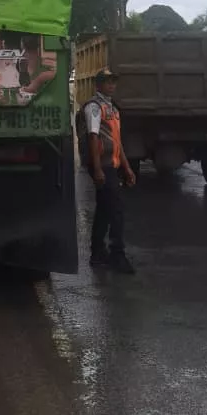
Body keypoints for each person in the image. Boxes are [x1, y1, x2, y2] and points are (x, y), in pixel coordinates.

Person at [82, 67, 136, 274]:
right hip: (102, 166)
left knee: (104, 210)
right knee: (116, 210)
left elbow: (117, 141)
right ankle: (117, 255)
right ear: (98, 85)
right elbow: (93, 138)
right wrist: (97, 170)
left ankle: (97, 254)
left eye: (114, 81)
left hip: (111, 165)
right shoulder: (95, 108)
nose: (111, 85)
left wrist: (127, 167)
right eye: (107, 81)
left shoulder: (112, 108)